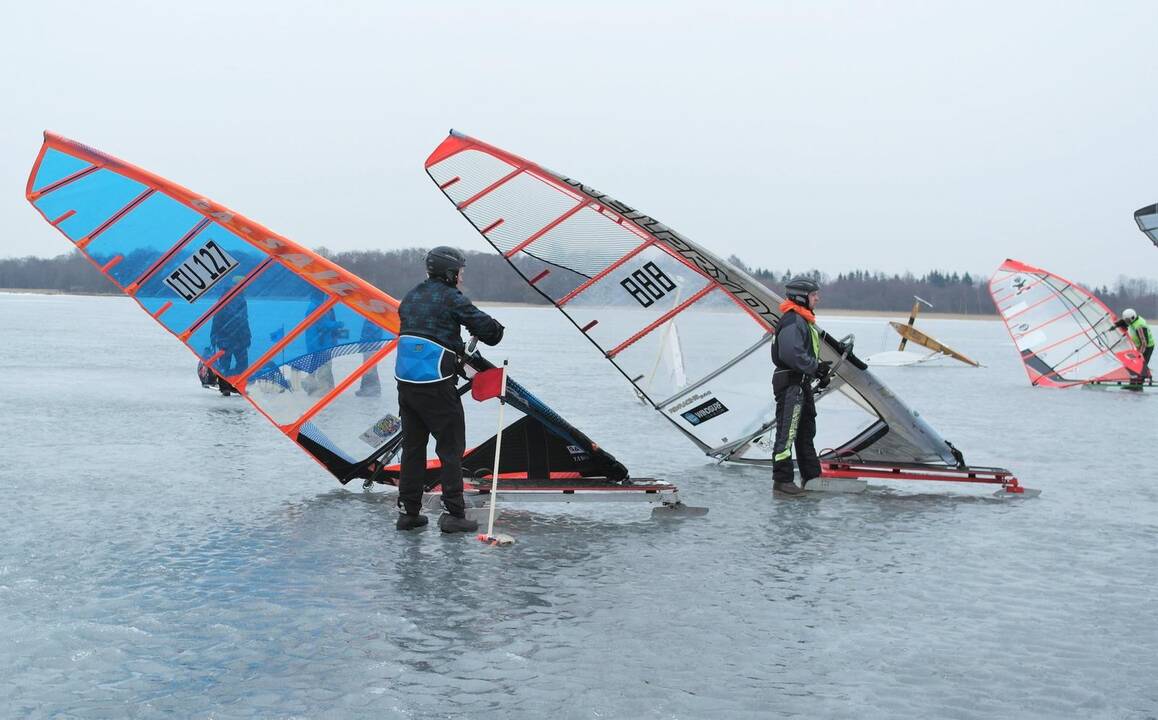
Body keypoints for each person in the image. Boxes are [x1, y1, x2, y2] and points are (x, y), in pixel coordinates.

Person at [394, 246, 504, 532]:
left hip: (406, 384)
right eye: (461, 272)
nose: (462, 278)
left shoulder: (410, 297)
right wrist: (493, 328)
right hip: (437, 385)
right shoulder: (451, 298)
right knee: (450, 448)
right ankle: (453, 514)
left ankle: (408, 513)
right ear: (451, 272)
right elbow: (490, 333)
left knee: (413, 449)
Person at [770, 277, 832, 497]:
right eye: (814, 295)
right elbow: (791, 354)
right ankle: (782, 481)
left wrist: (820, 371)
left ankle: (811, 477)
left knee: (806, 432)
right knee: (787, 432)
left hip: (801, 383)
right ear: (801, 296)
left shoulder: (804, 321)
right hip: (791, 384)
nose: (818, 298)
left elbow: (804, 355)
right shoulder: (792, 320)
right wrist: (816, 368)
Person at [209, 278, 251, 397]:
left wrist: (247, 336)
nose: (246, 288)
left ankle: (233, 386)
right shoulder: (230, 298)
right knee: (229, 364)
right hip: (230, 338)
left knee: (234, 365)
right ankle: (229, 387)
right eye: (244, 286)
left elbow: (243, 321)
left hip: (234, 338)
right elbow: (236, 320)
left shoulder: (238, 298)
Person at [1116, 308, 1154, 381]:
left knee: (1140, 365)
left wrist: (1139, 355)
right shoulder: (1133, 320)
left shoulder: (1139, 326)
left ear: (1132, 318)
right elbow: (1126, 322)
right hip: (1139, 346)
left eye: (1127, 320)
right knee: (1132, 365)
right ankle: (1133, 382)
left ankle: (1139, 383)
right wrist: (1116, 325)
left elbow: (1144, 343)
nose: (1127, 322)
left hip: (1147, 347)